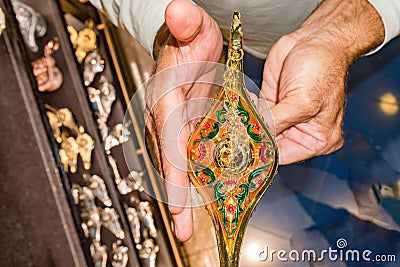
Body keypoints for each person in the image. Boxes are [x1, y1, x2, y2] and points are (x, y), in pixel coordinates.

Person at [91, 0, 400, 242]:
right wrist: (165, 30)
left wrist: (342, 29)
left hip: (375, 38)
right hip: (226, 48)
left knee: (338, 140)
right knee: (294, 154)